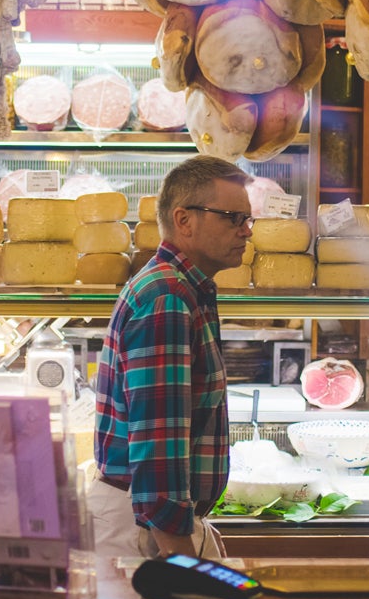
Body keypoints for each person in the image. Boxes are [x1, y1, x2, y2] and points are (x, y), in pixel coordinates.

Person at [90, 156, 252, 561]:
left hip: (153, 523)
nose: (246, 231)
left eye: (249, 219)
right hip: (149, 532)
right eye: (234, 218)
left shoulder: (181, 288)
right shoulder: (168, 298)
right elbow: (157, 440)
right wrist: (180, 556)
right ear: (184, 220)